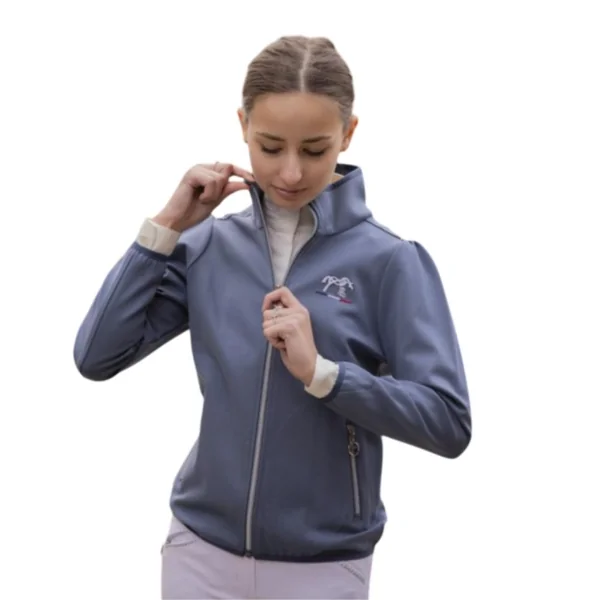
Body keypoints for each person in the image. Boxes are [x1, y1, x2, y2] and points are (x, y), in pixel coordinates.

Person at [74, 35, 471, 600]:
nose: (289, 172)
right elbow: (96, 356)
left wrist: (323, 375)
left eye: (314, 149)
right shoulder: (210, 246)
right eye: (270, 146)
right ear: (242, 126)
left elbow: (448, 421)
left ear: (348, 134)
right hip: (199, 552)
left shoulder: (390, 262)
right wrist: (164, 229)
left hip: (323, 564)